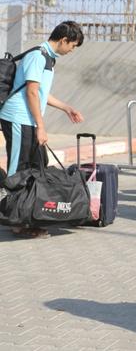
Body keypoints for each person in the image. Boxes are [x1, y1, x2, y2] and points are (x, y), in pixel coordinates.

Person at [0, 21, 85, 238]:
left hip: (29, 119)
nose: (72, 50)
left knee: (36, 166)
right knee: (18, 169)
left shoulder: (48, 58)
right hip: (19, 118)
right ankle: (15, 221)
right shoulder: (38, 57)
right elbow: (31, 93)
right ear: (64, 40)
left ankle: (28, 215)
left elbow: (41, 94)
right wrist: (41, 126)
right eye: (73, 45)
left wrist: (66, 108)